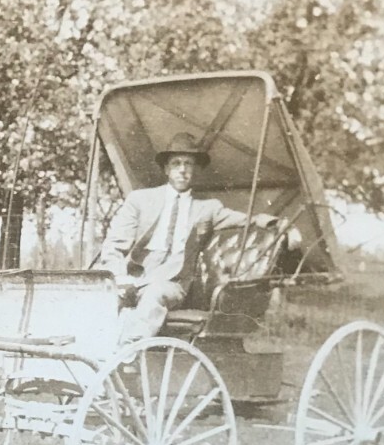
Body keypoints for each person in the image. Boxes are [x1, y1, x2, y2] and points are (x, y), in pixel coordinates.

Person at [96, 131, 279, 343]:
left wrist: (278, 225)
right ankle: (89, 353)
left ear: (196, 170)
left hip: (173, 285)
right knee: (97, 293)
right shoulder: (140, 200)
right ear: (166, 169)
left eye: (188, 164)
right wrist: (118, 277)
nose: (182, 170)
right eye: (176, 163)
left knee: (155, 293)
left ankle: (128, 354)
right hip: (134, 279)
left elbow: (248, 220)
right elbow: (115, 244)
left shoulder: (207, 208)